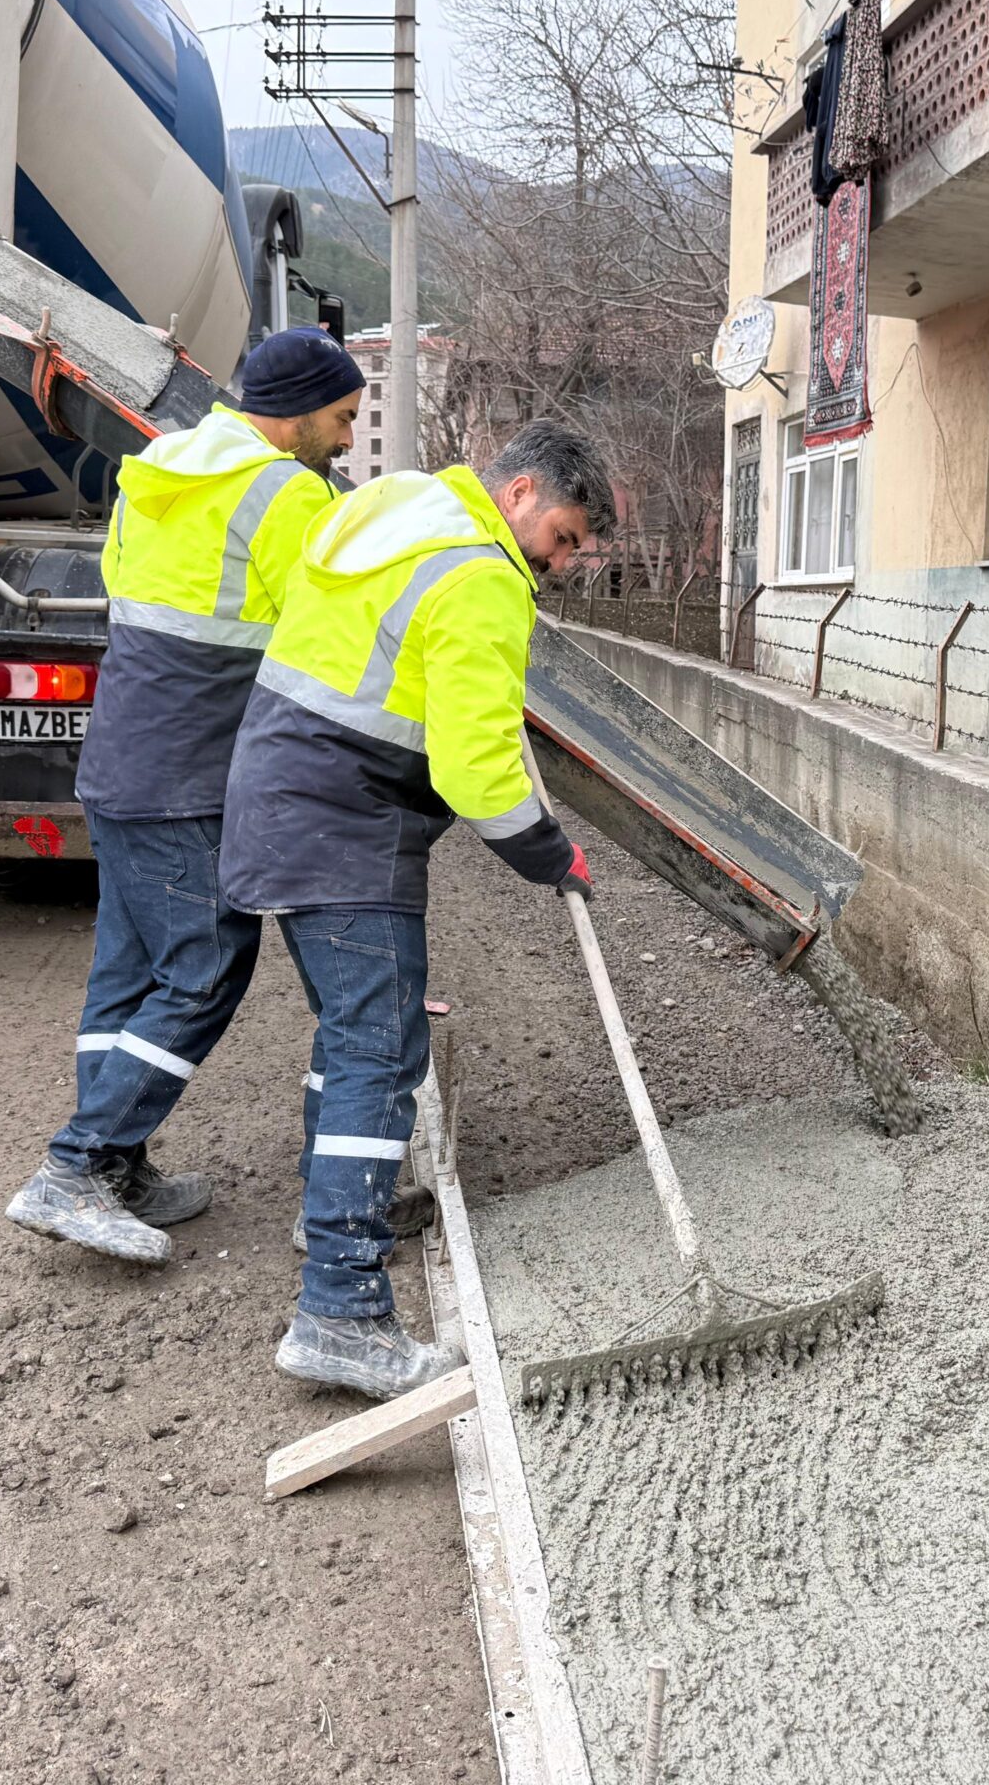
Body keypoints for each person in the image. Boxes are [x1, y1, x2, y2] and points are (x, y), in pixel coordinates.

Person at [221, 420, 611, 1398]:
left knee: (350, 1034)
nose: (563, 563)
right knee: (380, 1051)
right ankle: (341, 1311)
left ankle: (327, 1215)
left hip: (279, 790)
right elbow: (476, 771)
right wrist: (549, 853)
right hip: (345, 824)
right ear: (519, 494)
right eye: (563, 537)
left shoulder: (401, 506)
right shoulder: (480, 577)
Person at [4, 327, 365, 1265]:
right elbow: (326, 626)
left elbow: (133, 595)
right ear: (295, 413)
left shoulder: (156, 469)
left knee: (125, 976)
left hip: (119, 762)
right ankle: (77, 1167)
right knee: (207, 965)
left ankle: (120, 1170)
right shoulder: (286, 491)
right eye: (340, 418)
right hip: (188, 774)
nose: (345, 440)